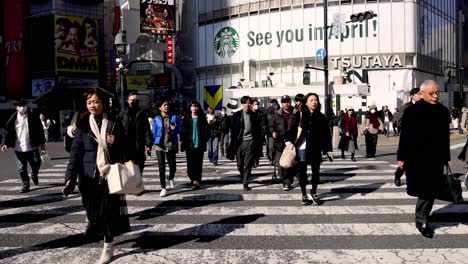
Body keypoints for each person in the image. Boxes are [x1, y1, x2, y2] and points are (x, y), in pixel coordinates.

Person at [64, 88, 130, 263]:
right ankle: (94, 223)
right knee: (91, 210)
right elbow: (75, 153)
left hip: (108, 175)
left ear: (103, 103)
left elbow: (126, 149)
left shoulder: (114, 123)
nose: (93, 105)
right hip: (87, 176)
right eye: (89, 102)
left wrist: (116, 142)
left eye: (96, 101)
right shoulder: (83, 125)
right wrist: (69, 176)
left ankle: (108, 246)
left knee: (107, 212)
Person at [397, 80, 451, 238]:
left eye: (437, 92)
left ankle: (422, 217)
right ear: (422, 94)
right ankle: (422, 219)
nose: (435, 96)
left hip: (436, 157)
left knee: (431, 189)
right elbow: (404, 136)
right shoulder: (412, 111)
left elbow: (445, 137)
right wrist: (401, 158)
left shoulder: (442, 111)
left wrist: (446, 157)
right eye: (432, 93)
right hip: (416, 157)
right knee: (425, 189)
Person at [285, 93, 333, 205]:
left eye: (315, 100)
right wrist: (288, 141)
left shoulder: (321, 116)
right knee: (302, 172)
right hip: (302, 147)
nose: (314, 102)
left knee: (316, 172)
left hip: (316, 147)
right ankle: (304, 194)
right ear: (306, 102)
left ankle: (314, 192)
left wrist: (327, 150)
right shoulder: (300, 115)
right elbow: (292, 129)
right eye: (311, 100)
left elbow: (325, 134)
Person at [1, 100, 46, 193]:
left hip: (32, 147)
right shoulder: (13, 118)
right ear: (16, 107)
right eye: (20, 105)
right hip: (19, 148)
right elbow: (6, 131)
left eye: (23, 105)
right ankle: (26, 184)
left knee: (37, 163)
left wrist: (42, 144)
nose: (22, 107)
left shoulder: (33, 116)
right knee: (21, 168)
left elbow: (40, 131)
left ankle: (34, 173)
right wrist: (4, 143)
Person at [227, 96, 262, 191]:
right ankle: (242, 175)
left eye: (248, 103)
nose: (247, 105)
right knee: (239, 163)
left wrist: (258, 142)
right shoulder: (237, 115)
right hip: (239, 142)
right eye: (245, 103)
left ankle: (245, 182)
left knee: (248, 163)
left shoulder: (254, 115)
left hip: (250, 141)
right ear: (242, 104)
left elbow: (258, 129)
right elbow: (232, 128)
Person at [152, 100, 182, 197]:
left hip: (171, 143)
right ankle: (163, 187)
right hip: (159, 145)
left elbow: (181, 129)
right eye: (164, 105)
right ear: (160, 108)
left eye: (167, 105)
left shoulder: (175, 117)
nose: (166, 106)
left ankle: (171, 177)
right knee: (161, 166)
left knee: (172, 165)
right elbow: (153, 132)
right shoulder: (156, 119)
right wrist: (149, 144)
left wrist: (175, 129)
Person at [118, 93, 153, 175]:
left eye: (137, 100)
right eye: (133, 100)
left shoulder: (142, 113)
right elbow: (118, 129)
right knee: (128, 166)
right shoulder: (123, 114)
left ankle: (138, 183)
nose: (135, 101)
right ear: (128, 101)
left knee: (139, 165)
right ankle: (131, 185)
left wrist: (148, 142)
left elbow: (147, 128)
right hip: (126, 144)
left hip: (139, 143)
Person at [393, 88, 421, 187]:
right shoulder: (406, 107)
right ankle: (397, 175)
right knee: (404, 162)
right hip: (408, 137)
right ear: (412, 96)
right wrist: (406, 128)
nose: (420, 96)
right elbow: (398, 121)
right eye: (418, 94)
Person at [180, 100, 208, 189]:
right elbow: (182, 132)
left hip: (199, 145)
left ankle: (197, 180)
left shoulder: (202, 118)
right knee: (190, 164)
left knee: (198, 163)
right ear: (190, 108)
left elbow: (207, 131)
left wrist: (204, 140)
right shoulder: (186, 118)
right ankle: (193, 178)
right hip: (189, 145)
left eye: (196, 106)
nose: (194, 108)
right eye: (192, 106)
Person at [266, 101, 286, 184]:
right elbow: (269, 124)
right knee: (271, 147)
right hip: (271, 134)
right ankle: (272, 159)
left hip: (279, 135)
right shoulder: (268, 112)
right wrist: (271, 131)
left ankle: (281, 173)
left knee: (278, 153)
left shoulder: (279, 114)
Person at [251, 99, 267, 167]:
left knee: (258, 149)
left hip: (259, 134)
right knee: (251, 149)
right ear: (252, 105)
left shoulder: (260, 113)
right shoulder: (249, 113)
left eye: (257, 104)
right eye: (255, 104)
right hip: (251, 134)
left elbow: (264, 124)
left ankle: (256, 159)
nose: (256, 106)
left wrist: (263, 133)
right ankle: (252, 161)